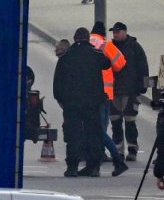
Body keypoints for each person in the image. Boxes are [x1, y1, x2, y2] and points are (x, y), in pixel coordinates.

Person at [53, 26, 112, 177]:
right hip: (92, 103)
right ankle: (93, 167)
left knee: (73, 134)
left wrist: (61, 99)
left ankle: (72, 167)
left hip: (71, 104)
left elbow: (57, 81)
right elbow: (107, 64)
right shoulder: (95, 55)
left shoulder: (66, 58)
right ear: (88, 39)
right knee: (93, 133)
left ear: (74, 39)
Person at [87, 24, 130, 176]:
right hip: (107, 93)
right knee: (101, 128)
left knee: (96, 129)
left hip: (91, 93)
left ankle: (109, 160)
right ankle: (100, 161)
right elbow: (120, 63)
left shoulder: (87, 43)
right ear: (103, 34)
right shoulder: (106, 45)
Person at [110, 22, 148, 161]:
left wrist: (142, 86)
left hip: (130, 91)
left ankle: (132, 149)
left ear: (125, 32)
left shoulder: (134, 47)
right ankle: (118, 151)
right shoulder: (110, 47)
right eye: (114, 32)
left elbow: (143, 66)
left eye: (118, 32)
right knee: (115, 122)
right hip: (113, 91)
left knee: (130, 121)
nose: (115, 34)